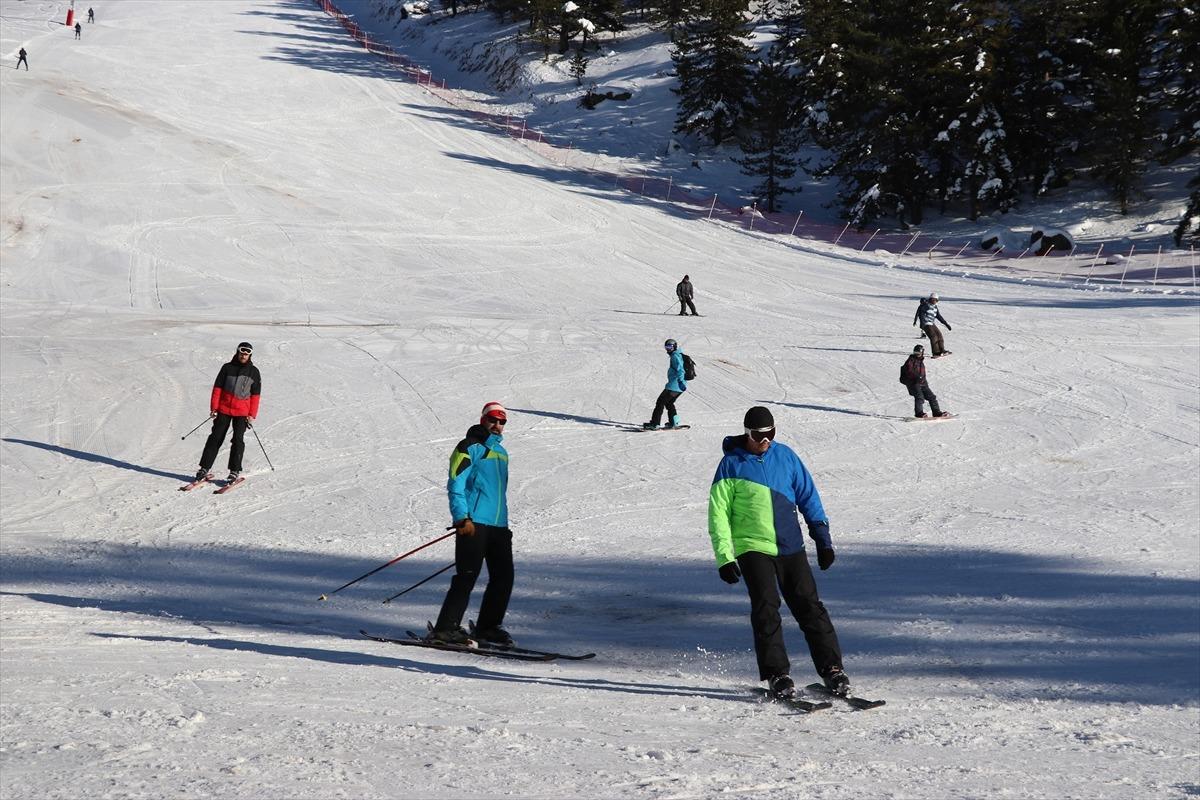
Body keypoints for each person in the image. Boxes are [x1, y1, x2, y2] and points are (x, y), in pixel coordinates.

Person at [707, 406, 850, 699]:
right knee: (766, 607)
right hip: (752, 547)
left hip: (790, 545)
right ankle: (777, 674)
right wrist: (725, 556)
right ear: (748, 433)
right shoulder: (731, 464)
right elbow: (718, 513)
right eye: (760, 435)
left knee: (810, 606)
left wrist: (822, 539)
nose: (765, 440)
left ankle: (832, 669)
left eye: (770, 434)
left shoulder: (785, 456)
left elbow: (808, 495)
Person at [427, 402, 515, 647]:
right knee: (467, 575)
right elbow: (456, 483)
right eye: (493, 420)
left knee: (504, 577)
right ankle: (446, 628)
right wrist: (461, 517)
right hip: (473, 523)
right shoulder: (469, 447)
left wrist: (503, 522)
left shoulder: (501, 453)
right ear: (483, 419)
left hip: (498, 525)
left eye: (502, 422)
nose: (497, 425)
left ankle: (488, 627)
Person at [194, 342, 261, 482]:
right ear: (237, 352)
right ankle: (204, 468)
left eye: (246, 353)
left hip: (242, 412)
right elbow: (217, 389)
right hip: (224, 409)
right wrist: (214, 408)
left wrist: (251, 415)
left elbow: (255, 396)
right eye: (242, 353)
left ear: (250, 355)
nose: (244, 355)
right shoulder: (227, 368)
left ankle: (234, 471)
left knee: (237, 440)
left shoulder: (254, 372)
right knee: (215, 437)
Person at [642, 338, 686, 430]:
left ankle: (655, 424)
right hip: (678, 386)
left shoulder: (675, 356)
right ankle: (674, 422)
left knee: (660, 402)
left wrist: (681, 382)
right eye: (666, 347)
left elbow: (680, 370)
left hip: (675, 385)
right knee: (669, 403)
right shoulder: (678, 354)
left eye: (670, 347)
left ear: (674, 346)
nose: (668, 349)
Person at [900, 345, 949, 418]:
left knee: (932, 397)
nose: (917, 354)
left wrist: (924, 381)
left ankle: (936, 412)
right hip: (913, 383)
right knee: (919, 397)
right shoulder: (910, 361)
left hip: (923, 383)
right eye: (915, 353)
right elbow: (909, 371)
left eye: (919, 353)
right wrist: (916, 377)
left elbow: (922, 373)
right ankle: (919, 413)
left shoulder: (920, 361)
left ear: (922, 353)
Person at [913, 293, 951, 357]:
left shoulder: (935, 307)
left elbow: (938, 316)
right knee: (933, 336)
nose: (935, 301)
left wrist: (946, 324)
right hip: (926, 323)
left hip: (932, 323)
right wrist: (920, 323)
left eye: (936, 300)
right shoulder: (925, 305)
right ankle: (936, 352)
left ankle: (942, 350)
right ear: (930, 299)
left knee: (939, 335)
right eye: (934, 300)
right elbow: (920, 312)